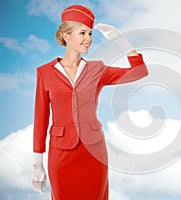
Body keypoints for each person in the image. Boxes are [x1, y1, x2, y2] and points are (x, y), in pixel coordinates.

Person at [31, 4, 148, 200]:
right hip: (60, 153)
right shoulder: (45, 72)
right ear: (66, 36)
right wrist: (37, 162)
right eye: (83, 33)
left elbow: (139, 72)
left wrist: (121, 41)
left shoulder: (98, 70)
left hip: (94, 152)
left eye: (91, 34)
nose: (89, 39)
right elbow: (40, 117)